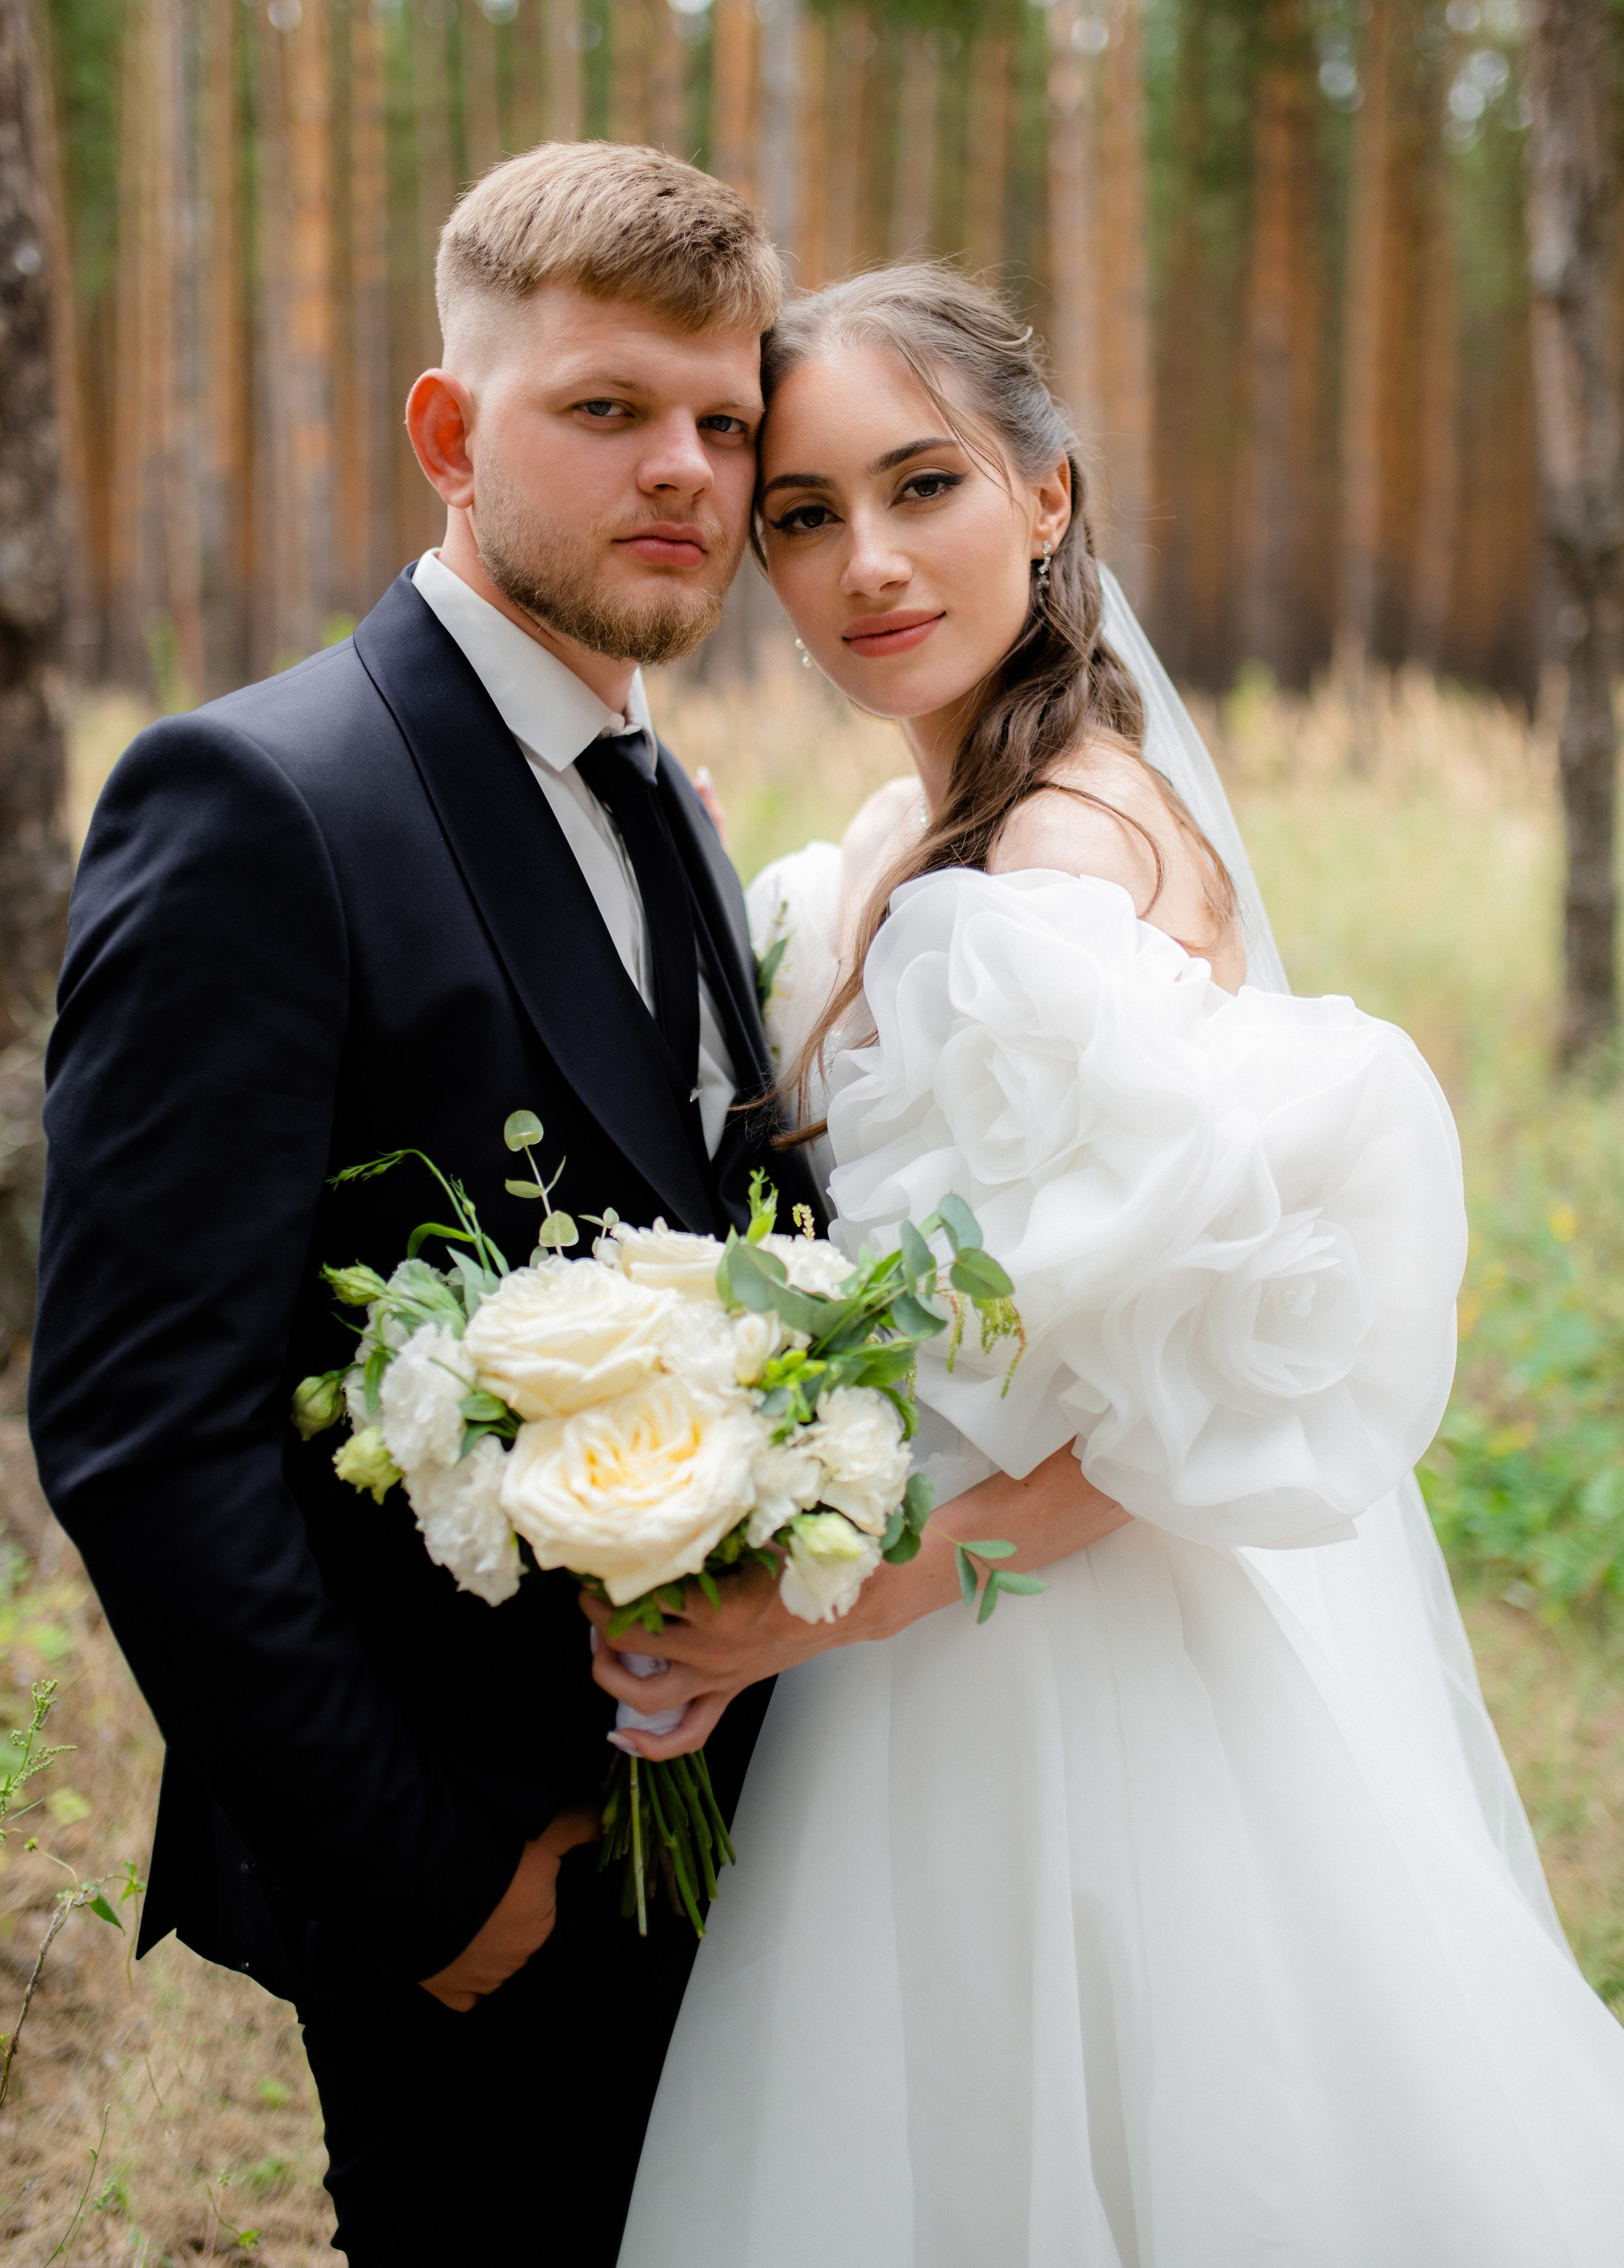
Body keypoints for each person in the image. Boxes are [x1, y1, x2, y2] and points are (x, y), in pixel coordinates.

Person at [600, 266, 1624, 2266]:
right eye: (803, 517)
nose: (868, 566)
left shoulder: (1056, 872)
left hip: (1061, 1674)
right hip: (934, 1645)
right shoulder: (908, 852)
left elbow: (1187, 1411)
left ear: (1049, 498)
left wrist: (862, 1605)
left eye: (927, 488)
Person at [27, 141, 818, 2267]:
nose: (687, 470)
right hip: (482, 1884)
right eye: (609, 409)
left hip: (731, 1850)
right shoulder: (261, 800)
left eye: (726, 424)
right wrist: (431, 1885)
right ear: (449, 433)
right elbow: (136, 1426)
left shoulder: (668, 802)